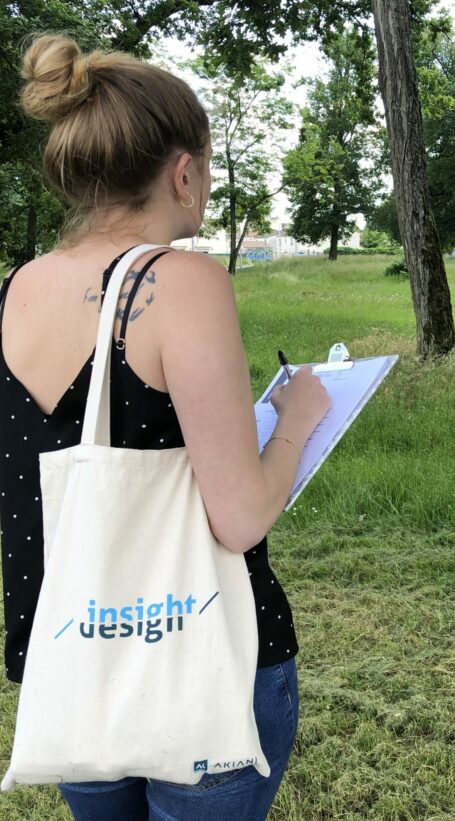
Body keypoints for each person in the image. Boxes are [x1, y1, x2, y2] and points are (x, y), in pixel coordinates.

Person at [0, 33, 330, 820]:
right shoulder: (181, 281)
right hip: (196, 658)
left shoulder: (15, 289)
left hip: (70, 655)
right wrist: (298, 421)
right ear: (183, 171)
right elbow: (240, 514)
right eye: (208, 169)